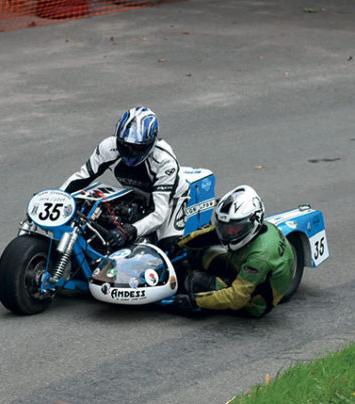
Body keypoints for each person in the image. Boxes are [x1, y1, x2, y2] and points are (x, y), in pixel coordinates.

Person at [60, 106, 189, 250]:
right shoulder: (109, 146)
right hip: (138, 194)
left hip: (171, 200)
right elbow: (82, 177)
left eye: (136, 148)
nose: (129, 152)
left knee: (169, 247)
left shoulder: (164, 161)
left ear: (151, 142)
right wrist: (57, 198)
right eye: (124, 145)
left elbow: (159, 214)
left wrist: (129, 231)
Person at [171, 185, 295, 317]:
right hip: (243, 266)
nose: (228, 233)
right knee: (199, 254)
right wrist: (179, 243)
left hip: (254, 300)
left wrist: (194, 300)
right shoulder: (256, 228)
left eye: (235, 228)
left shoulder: (260, 258)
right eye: (224, 227)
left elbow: (237, 298)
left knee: (196, 281)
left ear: (254, 221)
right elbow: (212, 233)